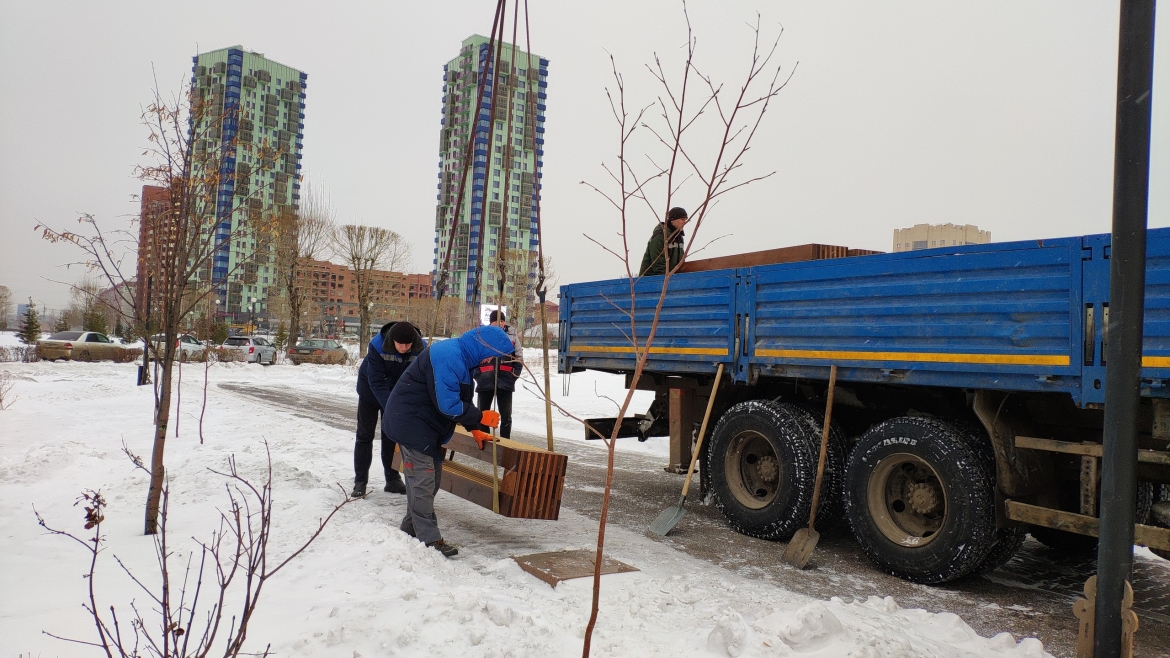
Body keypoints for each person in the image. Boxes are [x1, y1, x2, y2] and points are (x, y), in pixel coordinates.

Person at [382, 325, 513, 557]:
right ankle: (429, 540)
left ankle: (411, 526)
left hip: (423, 424)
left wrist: (474, 428)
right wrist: (481, 416)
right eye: (492, 355)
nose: (492, 360)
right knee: (423, 480)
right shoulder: (449, 357)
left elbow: (459, 396)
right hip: (411, 423)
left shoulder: (463, 357)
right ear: (483, 348)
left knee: (429, 480)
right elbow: (447, 404)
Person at [352, 321, 424, 498]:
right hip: (370, 392)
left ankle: (392, 479)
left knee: (391, 436)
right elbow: (376, 382)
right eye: (401, 344)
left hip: (396, 393)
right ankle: (360, 481)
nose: (404, 348)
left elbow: (418, 378)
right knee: (365, 435)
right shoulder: (377, 346)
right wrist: (392, 405)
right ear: (393, 340)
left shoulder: (420, 348)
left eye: (408, 344)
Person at [476, 310, 522, 439]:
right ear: (491, 323)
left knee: (506, 416)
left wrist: (514, 376)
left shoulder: (512, 336)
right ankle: (485, 440)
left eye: (502, 321)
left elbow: (519, 358)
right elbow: (474, 358)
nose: (500, 324)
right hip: (485, 379)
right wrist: (478, 376)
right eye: (497, 321)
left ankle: (505, 443)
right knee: (483, 414)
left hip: (505, 380)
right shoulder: (481, 336)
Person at [639, 206, 689, 276]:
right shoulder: (660, 236)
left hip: (672, 279)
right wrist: (667, 280)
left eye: (685, 220)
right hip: (650, 281)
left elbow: (680, 262)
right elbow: (658, 265)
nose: (684, 222)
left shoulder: (679, 238)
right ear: (672, 220)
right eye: (682, 219)